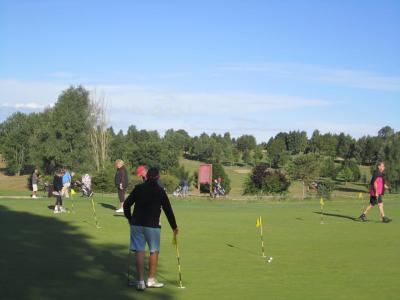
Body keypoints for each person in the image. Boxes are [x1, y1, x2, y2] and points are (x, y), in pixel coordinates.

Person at [123, 167, 179, 291]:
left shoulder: (138, 188)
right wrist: (174, 227)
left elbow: (126, 204)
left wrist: (130, 218)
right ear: (158, 177)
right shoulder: (160, 191)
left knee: (139, 251)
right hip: (152, 225)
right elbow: (168, 210)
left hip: (137, 223)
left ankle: (140, 281)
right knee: (154, 251)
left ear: (146, 176)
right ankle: (151, 280)